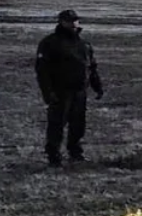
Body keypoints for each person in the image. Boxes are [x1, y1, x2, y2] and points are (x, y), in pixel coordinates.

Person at [35, 9, 104, 166]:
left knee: (78, 124)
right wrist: (48, 92)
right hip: (60, 91)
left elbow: (91, 67)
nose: (73, 24)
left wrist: (97, 86)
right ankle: (54, 156)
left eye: (75, 20)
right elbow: (42, 71)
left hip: (80, 91)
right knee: (57, 124)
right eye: (69, 21)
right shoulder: (50, 43)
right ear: (61, 22)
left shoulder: (84, 45)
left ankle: (75, 152)